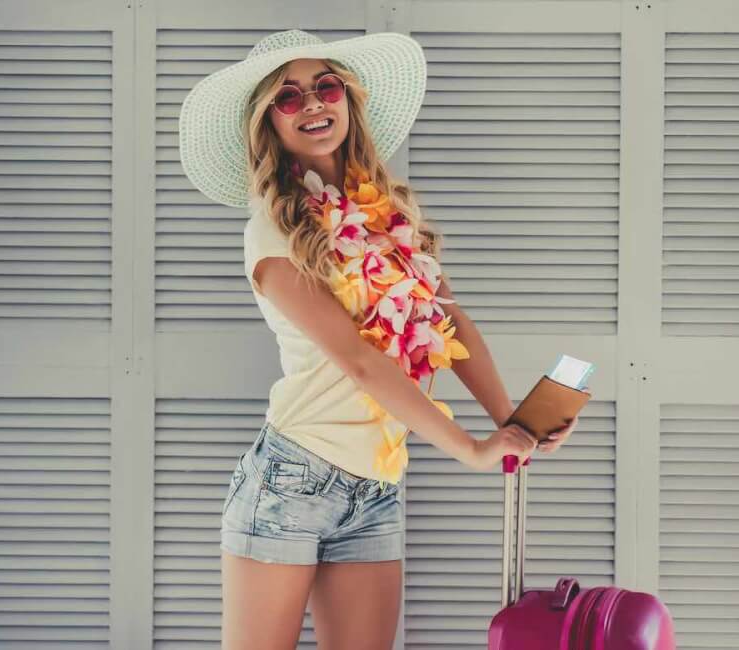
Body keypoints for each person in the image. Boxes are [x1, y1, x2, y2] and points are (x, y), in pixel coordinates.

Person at [178, 29, 580, 650]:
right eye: (288, 97)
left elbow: (449, 319)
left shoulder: (388, 213)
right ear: (270, 124)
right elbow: (361, 361)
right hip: (292, 480)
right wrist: (469, 449)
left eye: (326, 86)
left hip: (375, 489)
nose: (313, 104)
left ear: (347, 101)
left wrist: (513, 424)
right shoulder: (273, 231)